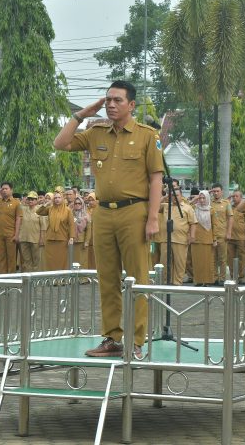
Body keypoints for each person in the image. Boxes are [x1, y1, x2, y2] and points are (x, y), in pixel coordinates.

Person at [54, 80, 164, 358]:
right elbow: (61, 143)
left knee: (138, 278)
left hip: (134, 212)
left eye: (117, 100)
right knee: (107, 278)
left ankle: (136, 341)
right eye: (108, 100)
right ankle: (112, 338)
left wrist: (153, 218)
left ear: (131, 105)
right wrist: (81, 115)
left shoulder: (147, 135)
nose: (112, 105)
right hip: (102, 212)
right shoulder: (96, 133)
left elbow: (156, 178)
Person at [158, 186, 196, 285]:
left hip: (181, 239)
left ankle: (177, 282)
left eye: (177, 195)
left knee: (180, 263)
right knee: (164, 262)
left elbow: (193, 223)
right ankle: (166, 281)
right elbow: (153, 206)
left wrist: (192, 236)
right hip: (166, 239)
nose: (174, 197)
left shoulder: (188, 208)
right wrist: (166, 196)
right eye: (172, 195)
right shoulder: (166, 206)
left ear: (181, 196)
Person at [36, 192, 75, 270]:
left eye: (59, 197)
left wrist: (71, 237)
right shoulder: (50, 209)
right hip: (50, 239)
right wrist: (47, 203)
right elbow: (38, 212)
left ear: (63, 199)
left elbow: (71, 225)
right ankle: (51, 279)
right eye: (55, 198)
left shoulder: (67, 210)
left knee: (61, 260)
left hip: (62, 239)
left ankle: (61, 280)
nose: (57, 199)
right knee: (50, 261)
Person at [191, 191, 217, 286]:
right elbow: (185, 205)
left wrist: (214, 239)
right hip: (195, 239)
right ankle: (198, 280)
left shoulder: (211, 210)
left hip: (207, 240)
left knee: (207, 262)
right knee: (196, 261)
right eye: (200, 198)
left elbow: (215, 226)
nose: (201, 200)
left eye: (203, 198)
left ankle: (206, 281)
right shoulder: (194, 208)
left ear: (207, 198)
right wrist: (195, 199)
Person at [210, 184, 233, 285]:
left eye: (217, 191)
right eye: (214, 191)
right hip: (211, 234)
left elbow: (230, 218)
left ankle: (222, 278)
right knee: (212, 257)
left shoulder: (226, 203)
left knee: (222, 259)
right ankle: (214, 278)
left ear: (221, 192)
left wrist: (229, 232)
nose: (215, 193)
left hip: (222, 234)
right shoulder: (209, 203)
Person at [227, 191, 245, 282]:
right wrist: (229, 198)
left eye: (236, 196)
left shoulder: (244, 209)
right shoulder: (229, 207)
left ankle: (242, 277)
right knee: (230, 258)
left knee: (242, 259)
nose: (234, 197)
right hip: (230, 237)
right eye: (233, 196)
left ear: (241, 198)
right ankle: (233, 277)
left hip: (241, 238)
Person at [72, 196, 90, 268]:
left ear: (82, 204)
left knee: (82, 260)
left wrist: (86, 242)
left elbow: (89, 230)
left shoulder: (86, 215)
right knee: (73, 260)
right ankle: (73, 278)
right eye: (75, 203)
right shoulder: (70, 214)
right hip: (72, 241)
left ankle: (83, 279)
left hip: (82, 241)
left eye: (79, 203)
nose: (77, 205)